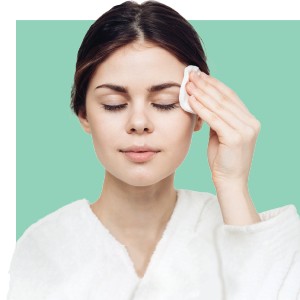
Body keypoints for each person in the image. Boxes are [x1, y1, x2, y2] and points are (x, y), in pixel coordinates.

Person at [8, 1, 300, 299]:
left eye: (165, 102)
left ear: (199, 112)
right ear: (83, 114)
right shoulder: (44, 247)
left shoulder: (235, 224)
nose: (138, 123)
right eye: (114, 104)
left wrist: (233, 183)